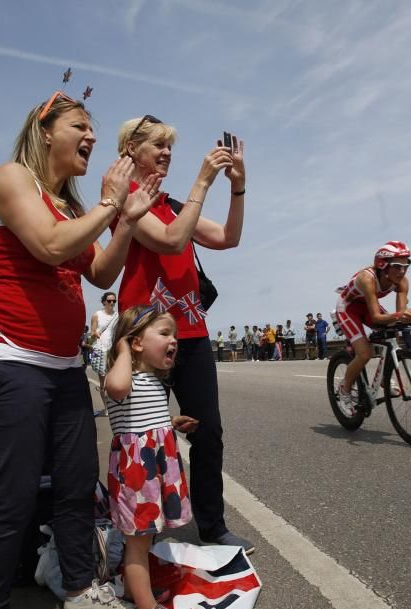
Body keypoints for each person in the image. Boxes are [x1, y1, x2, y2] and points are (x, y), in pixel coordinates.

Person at [0, 91, 163, 609]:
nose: (92, 137)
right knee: (15, 496)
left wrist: (122, 220)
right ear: (45, 129)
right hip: (7, 360)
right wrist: (109, 204)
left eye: (93, 129)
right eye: (81, 126)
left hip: (59, 365)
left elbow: (99, 268)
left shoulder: (72, 205)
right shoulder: (10, 179)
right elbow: (50, 247)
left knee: (76, 487)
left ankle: (79, 591)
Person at [111, 114, 253, 553]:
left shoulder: (174, 202)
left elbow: (229, 237)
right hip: (143, 337)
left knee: (207, 431)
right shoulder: (126, 196)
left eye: (171, 144)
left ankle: (212, 526)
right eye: (158, 144)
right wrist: (203, 182)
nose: (168, 151)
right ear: (131, 148)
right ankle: (139, 530)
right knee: (141, 434)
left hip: (190, 331)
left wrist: (237, 185)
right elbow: (172, 240)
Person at [104, 305, 197, 609]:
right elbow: (115, 388)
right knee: (138, 541)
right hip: (137, 474)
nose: (174, 340)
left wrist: (171, 423)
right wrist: (122, 350)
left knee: (146, 533)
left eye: (175, 335)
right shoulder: (123, 377)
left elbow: (146, 420)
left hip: (152, 468)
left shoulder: (152, 381)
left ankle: (134, 591)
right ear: (137, 343)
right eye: (165, 333)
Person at [333, 241, 411, 417]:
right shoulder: (367, 279)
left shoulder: (403, 282)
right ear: (383, 265)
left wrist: (408, 316)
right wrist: (399, 316)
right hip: (348, 308)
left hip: (366, 306)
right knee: (364, 353)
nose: (402, 271)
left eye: (406, 265)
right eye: (397, 266)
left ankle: (383, 378)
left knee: (393, 329)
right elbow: (376, 317)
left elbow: (399, 313)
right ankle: (344, 389)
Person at [89, 291, 118, 406]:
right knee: (102, 381)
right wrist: (95, 334)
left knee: (113, 378)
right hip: (99, 349)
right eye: (109, 301)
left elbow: (116, 332)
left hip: (111, 349)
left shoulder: (117, 315)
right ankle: (106, 407)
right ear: (104, 302)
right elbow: (92, 332)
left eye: (114, 301)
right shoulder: (97, 315)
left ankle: (113, 405)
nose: (112, 303)